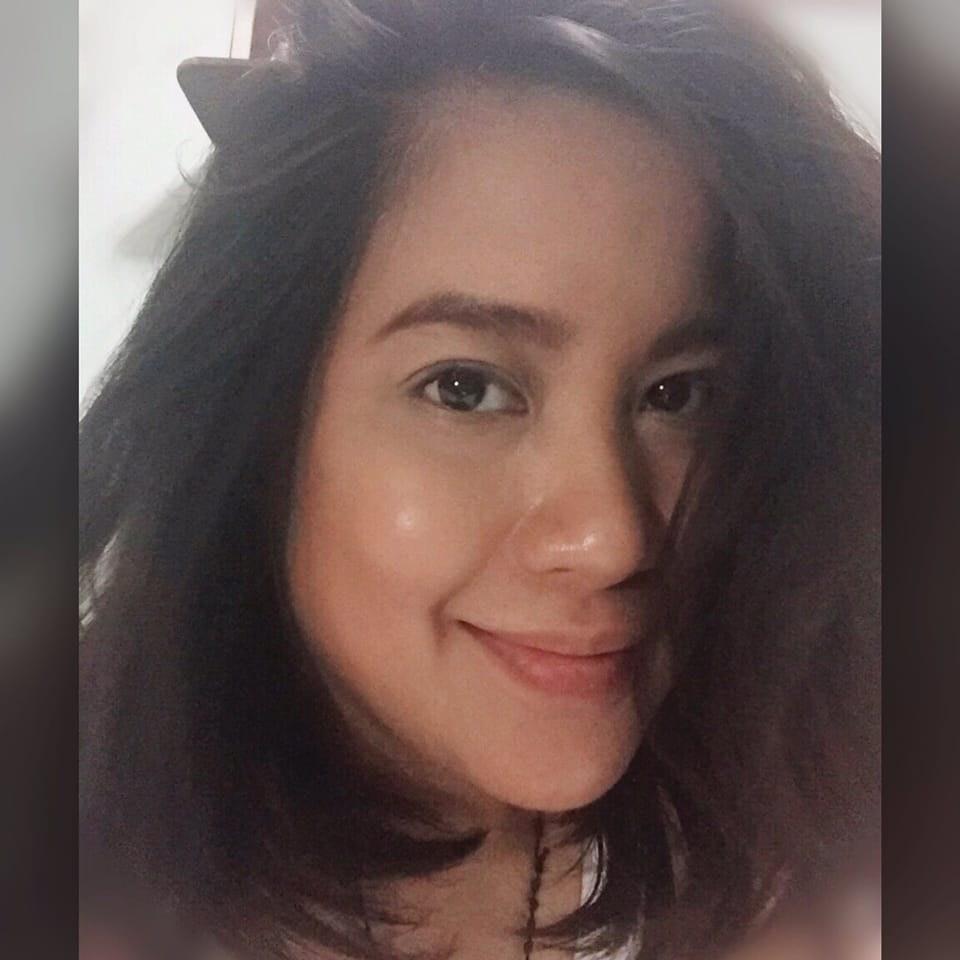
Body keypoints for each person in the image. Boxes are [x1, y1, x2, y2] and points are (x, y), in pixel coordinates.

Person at [79, 1, 880, 958]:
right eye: (465, 388)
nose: (613, 538)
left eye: (677, 393)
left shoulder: (797, 823)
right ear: (261, 423)